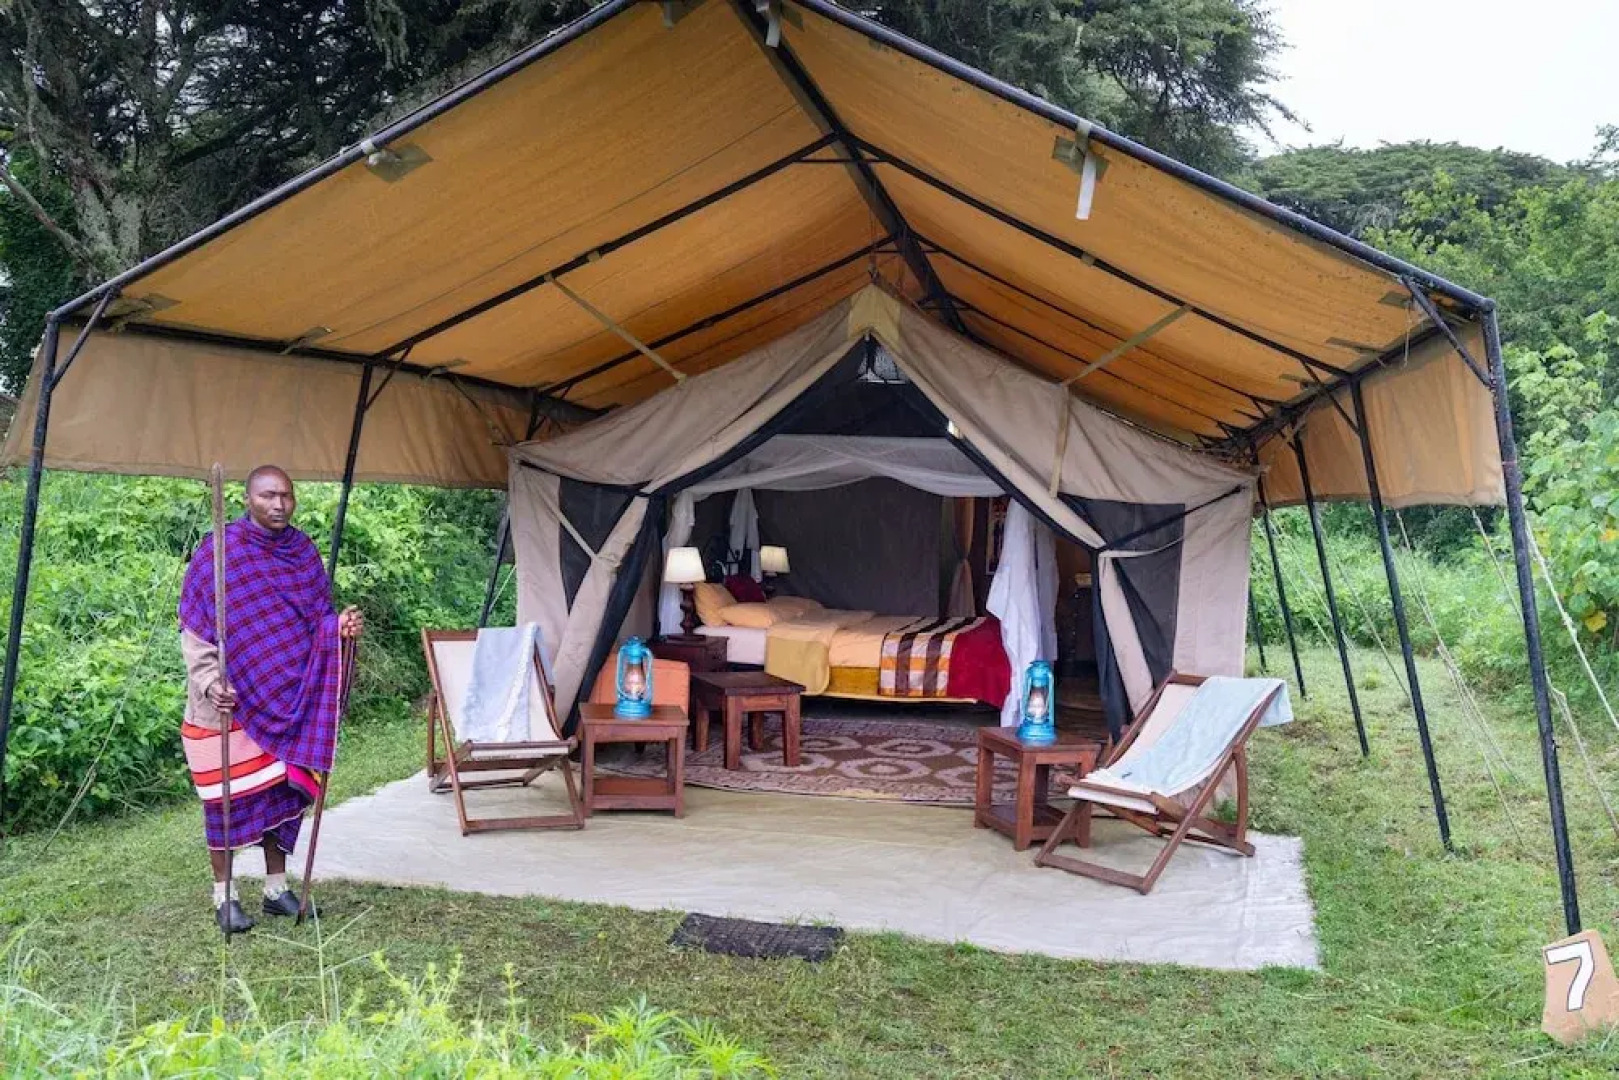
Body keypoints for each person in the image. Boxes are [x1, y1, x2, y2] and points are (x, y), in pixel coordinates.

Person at [177, 465, 363, 932]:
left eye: (286, 495)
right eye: (267, 495)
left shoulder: (302, 552)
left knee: (282, 797)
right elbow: (196, 630)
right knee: (225, 802)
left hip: (288, 699)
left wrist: (338, 629)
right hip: (229, 704)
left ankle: (277, 889)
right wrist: (209, 682)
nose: (278, 504)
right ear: (246, 499)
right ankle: (224, 897)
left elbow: (316, 619)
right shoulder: (219, 552)